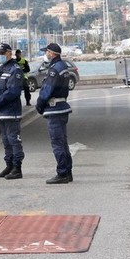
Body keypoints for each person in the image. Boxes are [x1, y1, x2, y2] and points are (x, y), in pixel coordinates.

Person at [35, 42, 73, 185]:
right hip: (62, 106)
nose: (46, 54)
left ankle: (62, 173)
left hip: (54, 108)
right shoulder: (64, 67)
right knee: (63, 142)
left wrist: (39, 105)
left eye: (47, 52)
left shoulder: (54, 69)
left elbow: (47, 90)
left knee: (57, 143)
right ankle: (68, 172)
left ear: (52, 53)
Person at [0, 43, 25, 180]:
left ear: (9, 53)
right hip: (0, 112)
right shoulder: (0, 69)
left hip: (11, 111)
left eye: (2, 53)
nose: (0, 55)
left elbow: (13, 91)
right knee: (5, 140)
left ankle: (17, 168)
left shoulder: (15, 70)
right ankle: (9, 165)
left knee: (13, 140)